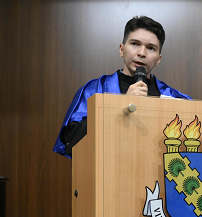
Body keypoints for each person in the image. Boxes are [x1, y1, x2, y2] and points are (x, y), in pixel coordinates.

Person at [53, 16, 191, 158]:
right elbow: (71, 141)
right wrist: (122, 106)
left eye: (150, 48)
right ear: (121, 49)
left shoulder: (173, 98)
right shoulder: (95, 90)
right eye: (135, 44)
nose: (142, 53)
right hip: (107, 172)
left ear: (158, 59)